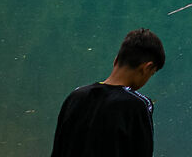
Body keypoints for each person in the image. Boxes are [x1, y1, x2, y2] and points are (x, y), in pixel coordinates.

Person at [49, 28, 164, 157]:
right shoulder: (138, 105)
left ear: (115, 61)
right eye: (151, 74)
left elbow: (58, 149)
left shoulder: (75, 97)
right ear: (147, 68)